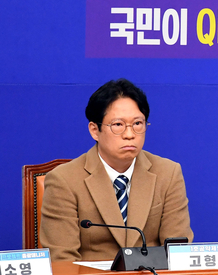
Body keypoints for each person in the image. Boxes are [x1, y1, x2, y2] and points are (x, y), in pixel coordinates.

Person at [40, 79, 193, 261]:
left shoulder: (168, 173)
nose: (129, 134)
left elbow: (178, 253)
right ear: (94, 130)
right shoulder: (64, 180)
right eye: (118, 125)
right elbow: (62, 260)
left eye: (137, 124)